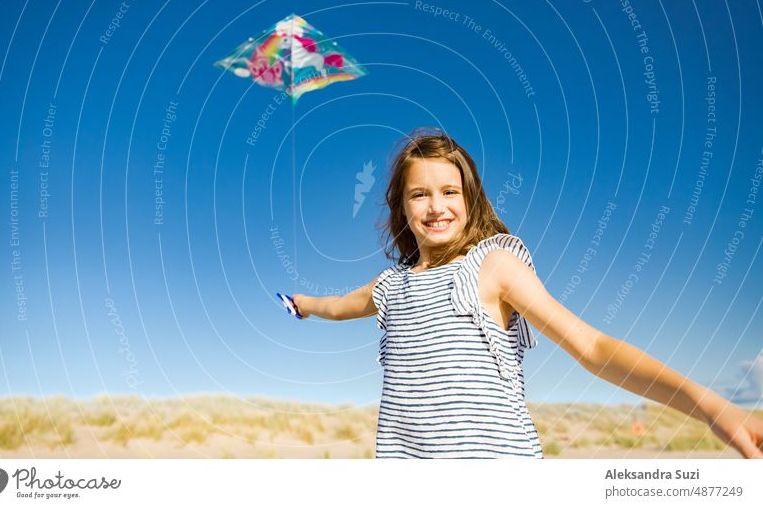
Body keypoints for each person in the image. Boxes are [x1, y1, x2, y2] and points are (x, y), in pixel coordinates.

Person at [288, 129, 763, 459]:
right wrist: (303, 305)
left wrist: (709, 405)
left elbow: (593, 348)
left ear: (470, 199)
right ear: (401, 205)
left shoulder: (492, 266)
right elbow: (336, 305)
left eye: (450, 191)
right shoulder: (392, 287)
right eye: (419, 194)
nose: (436, 207)